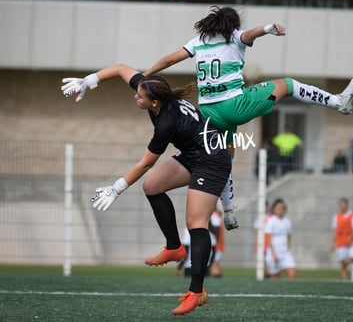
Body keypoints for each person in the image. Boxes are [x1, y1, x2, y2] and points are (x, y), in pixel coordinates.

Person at [144, 6, 353, 228]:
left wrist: (145, 76)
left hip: (207, 112)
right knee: (288, 85)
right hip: (234, 105)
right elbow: (249, 34)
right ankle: (338, 102)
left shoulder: (198, 41)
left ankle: (228, 212)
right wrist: (267, 29)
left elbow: (168, 60)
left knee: (225, 156)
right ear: (232, 24)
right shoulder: (235, 37)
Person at [61, 64, 232, 316]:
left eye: (139, 96)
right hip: (192, 154)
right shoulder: (152, 90)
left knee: (196, 223)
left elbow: (147, 162)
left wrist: (116, 188)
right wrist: (89, 80)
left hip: (212, 160)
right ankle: (174, 247)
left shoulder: (166, 122)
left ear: (154, 103)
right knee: (152, 186)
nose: (135, 96)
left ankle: (197, 292)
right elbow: (120, 69)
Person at [264, 198, 296, 279]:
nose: (281, 210)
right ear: (274, 209)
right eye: (278, 208)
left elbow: (289, 237)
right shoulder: (271, 221)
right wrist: (274, 255)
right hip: (273, 253)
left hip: (285, 253)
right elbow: (269, 240)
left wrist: (288, 250)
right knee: (275, 278)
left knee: (292, 274)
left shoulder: (287, 221)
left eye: (282, 208)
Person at [331, 198, 353, 280]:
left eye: (343, 205)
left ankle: (348, 275)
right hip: (341, 242)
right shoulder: (336, 216)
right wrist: (333, 243)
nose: (342, 207)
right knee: (342, 261)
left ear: (347, 205)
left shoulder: (352, 215)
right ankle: (343, 276)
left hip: (351, 243)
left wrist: (350, 237)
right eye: (340, 206)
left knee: (349, 260)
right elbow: (335, 230)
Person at [209, 210, 225, 277]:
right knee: (215, 261)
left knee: (214, 261)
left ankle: (216, 274)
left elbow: (216, 229)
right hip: (217, 242)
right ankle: (217, 274)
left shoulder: (214, 215)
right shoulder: (216, 215)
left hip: (216, 243)